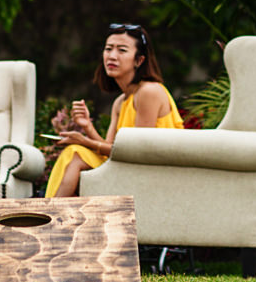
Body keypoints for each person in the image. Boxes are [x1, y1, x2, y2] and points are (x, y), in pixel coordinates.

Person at [45, 23, 183, 198]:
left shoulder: (149, 92)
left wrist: (85, 142)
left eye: (122, 50)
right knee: (74, 152)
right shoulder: (120, 102)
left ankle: (50, 214)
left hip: (156, 170)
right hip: (130, 165)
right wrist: (87, 127)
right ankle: (52, 212)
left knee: (76, 154)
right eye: (108, 49)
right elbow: (110, 151)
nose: (112, 56)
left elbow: (136, 152)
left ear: (139, 60)